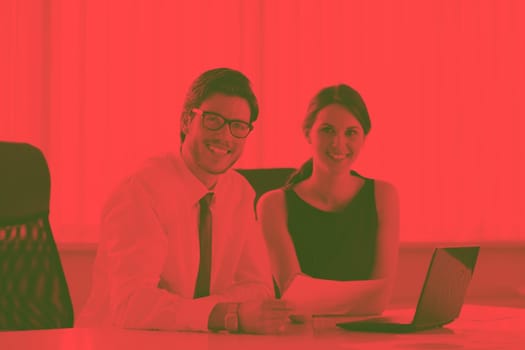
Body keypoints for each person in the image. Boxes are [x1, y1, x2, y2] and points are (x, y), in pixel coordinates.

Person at [76, 68, 291, 334]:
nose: (225, 136)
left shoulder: (239, 193)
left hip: (198, 340)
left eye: (238, 126)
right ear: (187, 121)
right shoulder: (141, 191)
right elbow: (132, 305)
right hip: (120, 341)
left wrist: (199, 314)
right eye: (213, 120)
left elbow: (259, 290)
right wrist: (225, 314)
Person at [257, 84, 400, 315]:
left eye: (351, 133)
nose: (338, 143)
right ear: (307, 134)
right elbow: (296, 300)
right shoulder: (273, 205)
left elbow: (379, 301)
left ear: (364, 137)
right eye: (327, 130)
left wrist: (317, 294)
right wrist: (359, 297)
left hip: (365, 338)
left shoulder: (384, 196)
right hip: (301, 339)